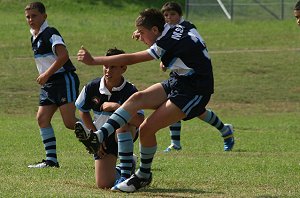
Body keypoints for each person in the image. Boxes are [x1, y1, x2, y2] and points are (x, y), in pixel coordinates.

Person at [76, 8, 234, 192]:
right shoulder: (179, 26)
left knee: (146, 129)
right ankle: (99, 136)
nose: (140, 37)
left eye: (142, 33)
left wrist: (94, 60)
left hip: (195, 89)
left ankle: (143, 176)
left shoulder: (165, 41)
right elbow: (179, 35)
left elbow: (133, 58)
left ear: (155, 30)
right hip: (180, 80)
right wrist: (145, 32)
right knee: (137, 98)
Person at [133, 2, 233, 153]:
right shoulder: (166, 31)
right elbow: (160, 45)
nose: (169, 18)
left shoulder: (187, 27)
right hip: (179, 76)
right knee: (173, 105)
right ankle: (176, 143)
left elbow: (192, 46)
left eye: (173, 14)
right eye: (166, 15)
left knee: (196, 110)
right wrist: (142, 34)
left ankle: (225, 130)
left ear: (180, 15)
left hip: (194, 77)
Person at [74, 48, 144, 189]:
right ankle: (129, 165)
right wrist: (95, 137)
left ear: (123, 68)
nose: (108, 70)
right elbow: (83, 111)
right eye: (105, 66)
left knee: (122, 124)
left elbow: (139, 121)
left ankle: (125, 178)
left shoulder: (131, 91)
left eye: (113, 67)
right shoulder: (92, 87)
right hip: (102, 138)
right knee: (104, 184)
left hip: (126, 133)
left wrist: (117, 107)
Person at [25, 2, 80, 168]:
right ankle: (51, 160)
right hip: (49, 84)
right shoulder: (34, 36)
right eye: (27, 16)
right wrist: (46, 76)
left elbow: (63, 56)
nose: (30, 19)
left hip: (64, 80)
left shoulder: (51, 33)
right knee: (42, 118)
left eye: (34, 16)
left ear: (44, 16)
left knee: (70, 122)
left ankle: (103, 138)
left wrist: (46, 74)